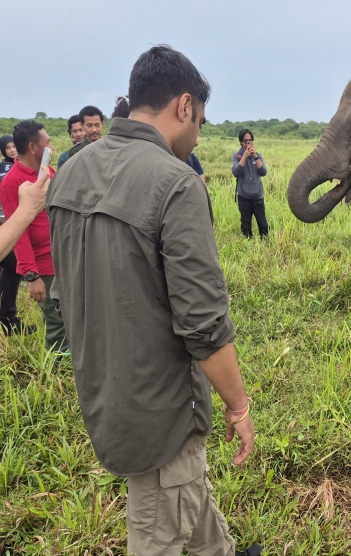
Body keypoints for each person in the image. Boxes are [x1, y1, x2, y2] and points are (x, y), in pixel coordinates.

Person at [47, 45, 260, 556]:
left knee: (185, 489)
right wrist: (239, 405)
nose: (198, 133)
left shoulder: (73, 171)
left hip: (104, 389)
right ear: (184, 106)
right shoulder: (175, 181)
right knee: (161, 520)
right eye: (201, 121)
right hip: (160, 407)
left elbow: (67, 292)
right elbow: (205, 326)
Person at [0, 121, 67, 350]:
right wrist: (32, 275)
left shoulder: (47, 171)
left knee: (69, 315)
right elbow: (17, 232)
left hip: (62, 256)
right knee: (56, 320)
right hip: (43, 266)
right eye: (47, 142)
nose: (51, 147)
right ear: (32, 147)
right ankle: (58, 369)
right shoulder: (13, 182)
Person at [1, 135, 38, 335]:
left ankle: (7, 318)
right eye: (8, 147)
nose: (13, 150)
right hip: (7, 224)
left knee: (11, 265)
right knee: (11, 265)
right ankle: (7, 319)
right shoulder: (7, 175)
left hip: (7, 225)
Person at [231, 129, 268, 238]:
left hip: (257, 196)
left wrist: (255, 157)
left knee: (263, 224)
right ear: (241, 142)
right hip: (244, 196)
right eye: (245, 140)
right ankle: (248, 247)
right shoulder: (236, 156)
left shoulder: (258, 155)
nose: (248, 143)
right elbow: (236, 173)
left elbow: (263, 172)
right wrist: (244, 157)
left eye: (250, 140)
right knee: (246, 226)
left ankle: (265, 244)